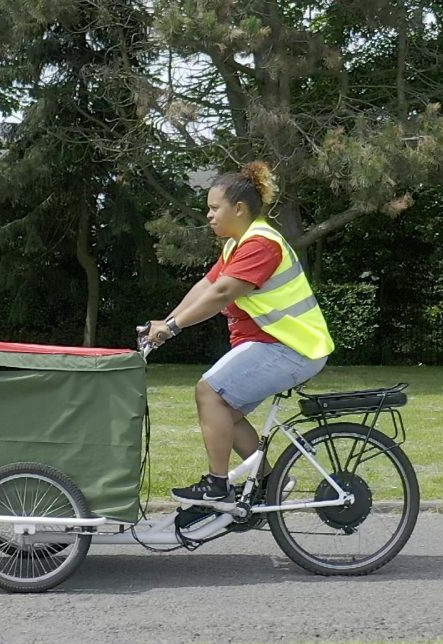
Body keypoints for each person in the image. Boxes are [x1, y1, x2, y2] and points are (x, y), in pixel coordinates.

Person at [142, 161, 334, 505]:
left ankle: (218, 486)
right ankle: (271, 484)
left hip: (290, 347)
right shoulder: (237, 244)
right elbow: (207, 285)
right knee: (224, 416)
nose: (210, 216)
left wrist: (172, 328)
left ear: (239, 208)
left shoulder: (261, 244)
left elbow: (221, 295)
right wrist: (164, 323)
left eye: (215, 208)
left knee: (208, 393)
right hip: (278, 345)